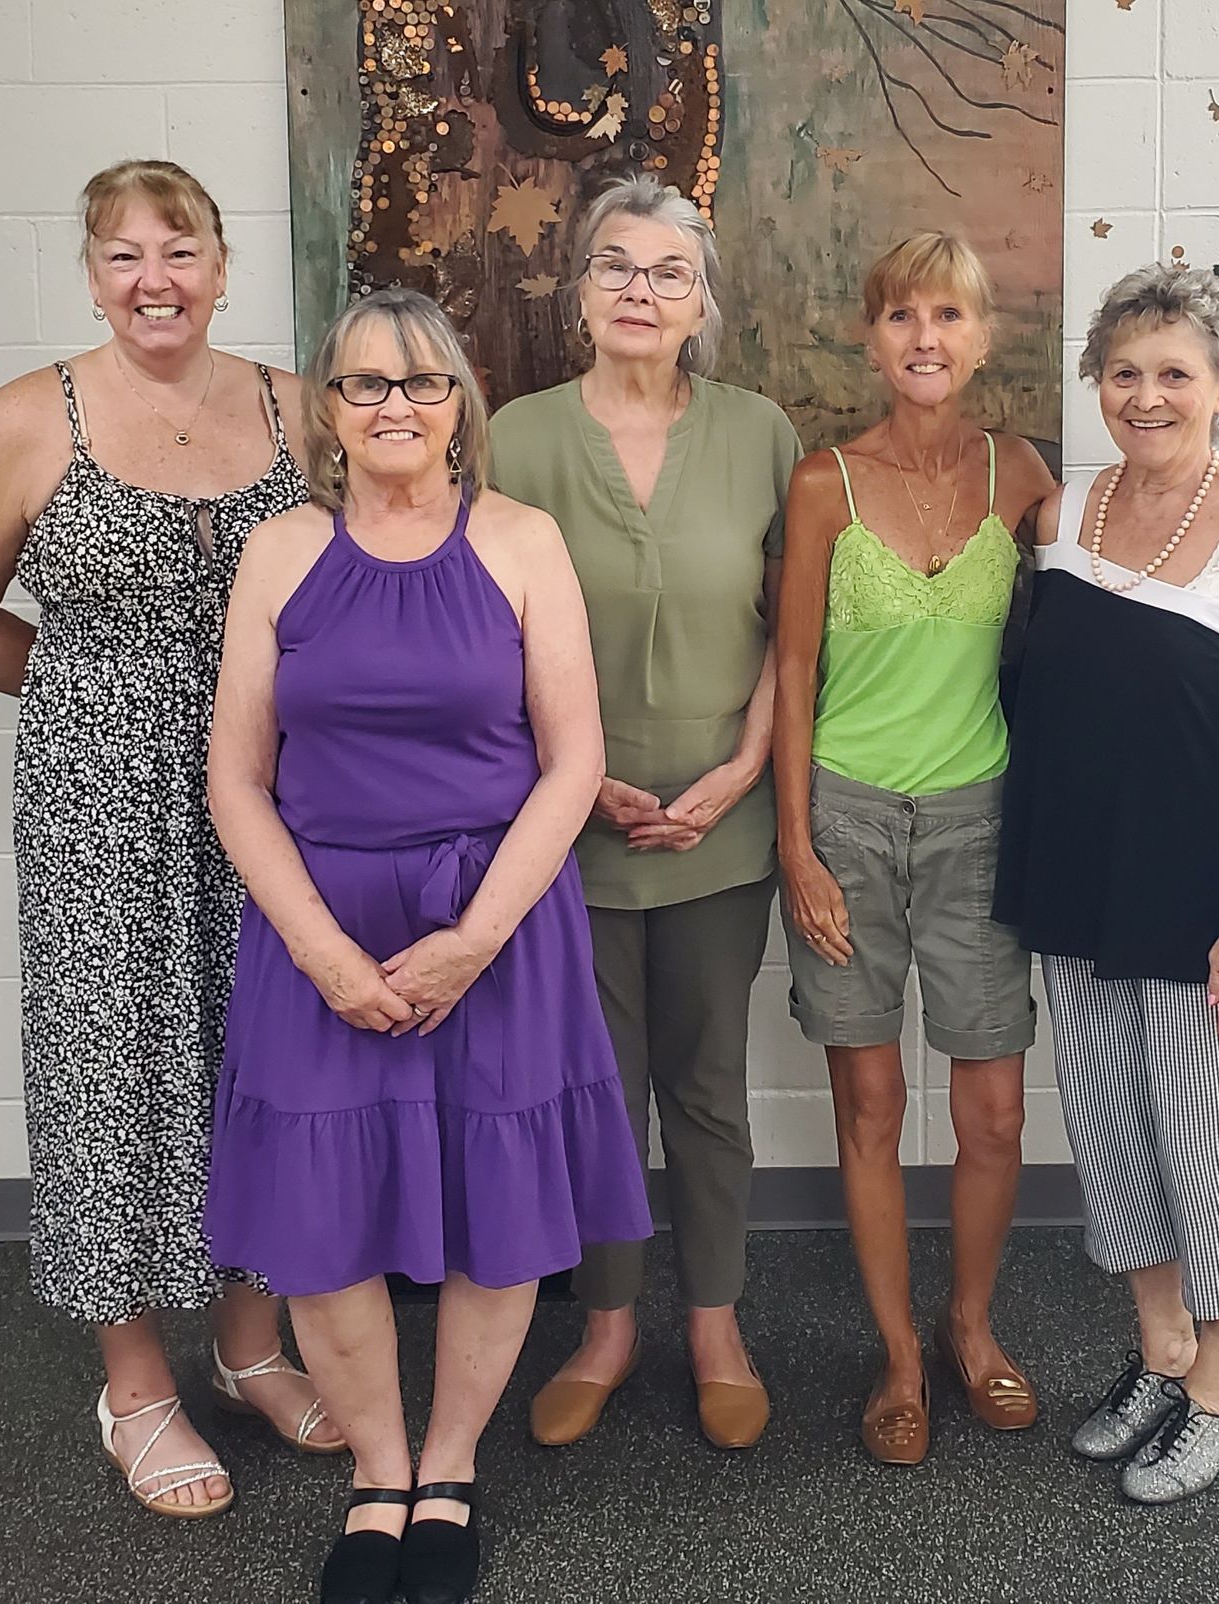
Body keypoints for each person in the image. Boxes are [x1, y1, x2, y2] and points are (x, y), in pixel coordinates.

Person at [202, 286, 651, 1604]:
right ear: (329, 414)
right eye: (364, 385)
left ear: (462, 405)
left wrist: (470, 941)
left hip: (496, 922)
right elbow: (237, 779)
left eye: (422, 383)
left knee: (494, 1218)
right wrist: (327, 954)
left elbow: (575, 766)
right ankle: (379, 1474)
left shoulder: (522, 540)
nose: (395, 406)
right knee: (324, 1226)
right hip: (317, 922)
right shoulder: (280, 552)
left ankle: (449, 1465)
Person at [0, 158, 340, 1518]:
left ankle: (251, 1342)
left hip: (280, 785)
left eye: (181, 251)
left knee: (265, 1052)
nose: (156, 281)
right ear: (90, 273)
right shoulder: (32, 416)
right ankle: (137, 1383)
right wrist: (100, 700)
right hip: (103, 792)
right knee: (113, 1068)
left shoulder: (295, 407)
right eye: (123, 256)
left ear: (222, 262)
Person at [994, 263, 1219, 1503]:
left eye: (1175, 373)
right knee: (1123, 1145)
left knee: (1215, 1157)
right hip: (1085, 897)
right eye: (1124, 372)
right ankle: (1161, 1354)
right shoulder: (1064, 517)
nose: (1147, 395)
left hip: (1211, 922)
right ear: (1095, 383)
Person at [487, 173, 800, 1452]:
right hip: (568, 821)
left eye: (668, 272)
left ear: (701, 302)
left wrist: (742, 769)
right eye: (616, 266)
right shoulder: (512, 437)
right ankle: (607, 1323)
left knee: (708, 1084)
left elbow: (794, 633)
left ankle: (716, 1322)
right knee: (600, 1088)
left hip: (722, 819)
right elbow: (481, 634)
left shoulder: (762, 432)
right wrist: (579, 780)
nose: (639, 291)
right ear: (579, 293)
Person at [773, 232, 1053, 1465]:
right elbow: (789, 672)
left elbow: (1138, 551)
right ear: (869, 336)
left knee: (992, 1110)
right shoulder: (823, 482)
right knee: (871, 1096)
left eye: (950, 313)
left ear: (986, 337)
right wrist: (797, 845)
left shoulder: (1024, 475)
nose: (925, 336)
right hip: (845, 814)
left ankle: (970, 1323)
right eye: (901, 316)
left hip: (980, 819)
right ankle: (897, 1354)